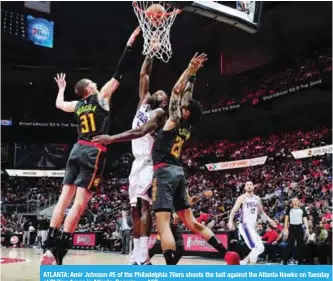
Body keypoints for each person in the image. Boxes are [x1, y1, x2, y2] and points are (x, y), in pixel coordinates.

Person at [40, 27, 141, 265]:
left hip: (76, 149)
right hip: (93, 151)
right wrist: (129, 43)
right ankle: (58, 250)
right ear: (90, 89)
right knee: (79, 203)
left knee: (63, 198)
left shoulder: (77, 105)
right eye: (94, 83)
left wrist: (61, 90)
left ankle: (47, 246)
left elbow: (59, 105)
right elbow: (120, 71)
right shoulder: (101, 97)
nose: (97, 83)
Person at [151, 52, 230, 265]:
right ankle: (225, 254)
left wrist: (188, 68)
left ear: (185, 113)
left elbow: (177, 91)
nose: (182, 105)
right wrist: (193, 76)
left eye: (185, 107)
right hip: (178, 172)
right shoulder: (188, 124)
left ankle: (168, 269)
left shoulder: (175, 118)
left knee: (163, 222)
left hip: (164, 170)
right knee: (191, 222)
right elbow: (186, 96)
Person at [93, 54, 168, 265]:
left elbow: (140, 131)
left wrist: (111, 138)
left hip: (149, 163)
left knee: (145, 206)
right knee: (134, 208)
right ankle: (136, 254)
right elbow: (144, 73)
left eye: (163, 93)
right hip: (136, 163)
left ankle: (144, 256)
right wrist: (151, 52)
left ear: (163, 101)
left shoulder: (160, 114)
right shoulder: (143, 104)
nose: (158, 92)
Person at [149, 190, 213, 264]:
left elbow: (191, 200)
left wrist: (202, 195)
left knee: (180, 248)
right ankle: (143, 261)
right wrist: (173, 212)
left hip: (175, 225)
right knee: (157, 247)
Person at [228, 181, 277, 265]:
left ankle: (243, 262)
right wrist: (230, 221)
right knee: (256, 248)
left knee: (260, 248)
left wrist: (271, 221)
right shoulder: (242, 198)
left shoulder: (257, 198)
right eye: (247, 185)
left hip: (252, 227)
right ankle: (249, 266)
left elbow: (261, 213)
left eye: (250, 184)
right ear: (245, 188)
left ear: (254, 187)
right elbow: (234, 210)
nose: (249, 186)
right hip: (245, 226)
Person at [282, 197, 309, 265]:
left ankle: (300, 262)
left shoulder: (302, 208)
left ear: (298, 201)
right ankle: (285, 261)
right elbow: (286, 219)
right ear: (292, 202)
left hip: (299, 228)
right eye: (293, 201)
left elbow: (305, 219)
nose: (295, 202)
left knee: (300, 246)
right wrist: (285, 229)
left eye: (296, 201)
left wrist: (307, 228)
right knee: (290, 245)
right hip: (292, 228)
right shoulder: (289, 209)